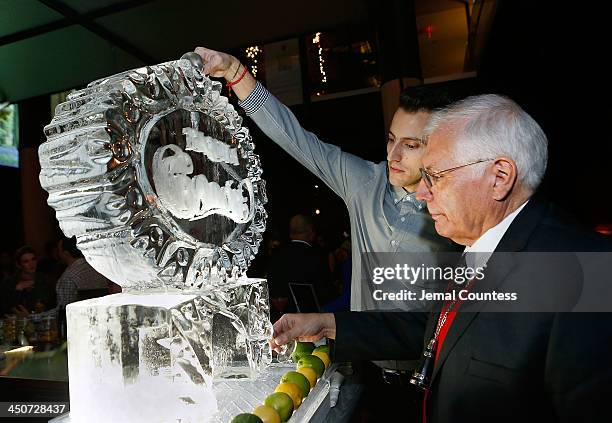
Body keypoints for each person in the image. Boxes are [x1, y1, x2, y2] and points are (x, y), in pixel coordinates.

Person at [270, 94, 612, 422]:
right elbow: (435, 333)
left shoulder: (584, 277)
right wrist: (328, 323)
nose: (421, 192)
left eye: (436, 176)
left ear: (499, 177)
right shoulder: (477, 251)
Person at [194, 48, 460, 408]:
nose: (394, 155)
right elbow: (298, 140)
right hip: (368, 378)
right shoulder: (365, 181)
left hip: (436, 382)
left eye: (411, 146)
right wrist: (236, 73)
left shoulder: (460, 208)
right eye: (391, 139)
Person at [267, 214, 332, 319]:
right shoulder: (317, 256)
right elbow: (325, 293)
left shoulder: (276, 254)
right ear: (311, 232)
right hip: (311, 321)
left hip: (279, 319)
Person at [55, 236, 112, 308]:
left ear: (66, 253)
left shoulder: (68, 277)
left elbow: (64, 309)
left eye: (59, 251)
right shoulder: (98, 267)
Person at [1, 246, 54, 316]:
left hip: (43, 319)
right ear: (19, 265)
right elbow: (6, 308)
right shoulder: (10, 282)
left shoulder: (44, 279)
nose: (31, 264)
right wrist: (18, 289)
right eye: (26, 261)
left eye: (33, 259)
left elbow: (52, 304)